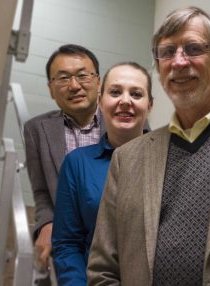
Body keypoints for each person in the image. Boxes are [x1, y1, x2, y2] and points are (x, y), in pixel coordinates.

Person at [87, 6, 210, 286]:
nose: (179, 62)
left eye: (193, 48)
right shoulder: (127, 159)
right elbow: (103, 271)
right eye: (167, 52)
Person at [51, 62, 153, 285]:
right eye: (115, 92)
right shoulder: (77, 163)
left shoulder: (171, 160)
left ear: (149, 105)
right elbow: (67, 244)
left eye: (136, 94)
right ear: (100, 101)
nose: (125, 101)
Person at [24, 44, 105, 274]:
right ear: (50, 89)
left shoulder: (126, 119)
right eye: (62, 78)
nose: (74, 85)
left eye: (82, 75)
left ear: (98, 82)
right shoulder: (36, 130)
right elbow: (41, 190)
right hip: (69, 241)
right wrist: (46, 224)